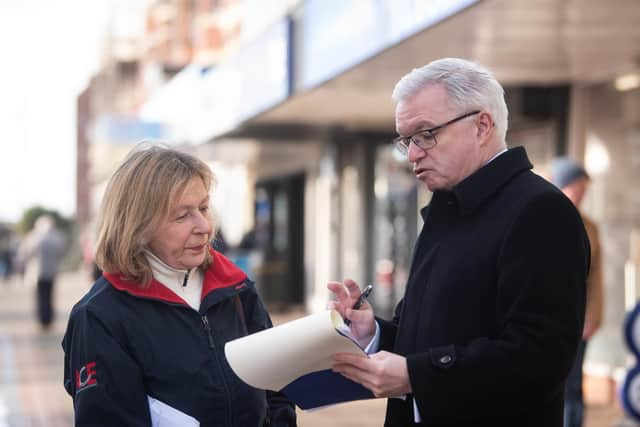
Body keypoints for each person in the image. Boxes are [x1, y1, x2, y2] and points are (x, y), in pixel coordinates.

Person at [328, 58, 590, 426]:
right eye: (406, 141)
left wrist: (416, 375)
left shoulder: (541, 210)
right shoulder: (446, 208)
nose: (414, 154)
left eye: (426, 135)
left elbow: (538, 358)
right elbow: (426, 336)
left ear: (482, 125)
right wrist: (372, 332)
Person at [62, 143, 296, 426]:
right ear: (138, 227)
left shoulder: (236, 287)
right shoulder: (100, 316)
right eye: (183, 215)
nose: (204, 226)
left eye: (204, 208)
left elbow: (277, 390)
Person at [550, 157, 604, 427]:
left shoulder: (590, 228)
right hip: (545, 317)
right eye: (578, 187)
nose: (582, 194)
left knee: (573, 384)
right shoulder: (539, 219)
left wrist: (592, 317)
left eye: (585, 189)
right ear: (562, 186)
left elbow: (595, 276)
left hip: (578, 319)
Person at [18, 214, 66, 328]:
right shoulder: (57, 238)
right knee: (50, 295)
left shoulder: (33, 237)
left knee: (40, 296)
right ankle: (48, 317)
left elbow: (24, 253)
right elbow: (61, 253)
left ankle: (42, 318)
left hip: (37, 272)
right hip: (52, 271)